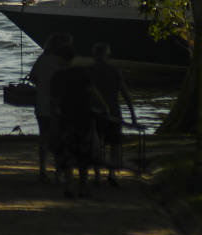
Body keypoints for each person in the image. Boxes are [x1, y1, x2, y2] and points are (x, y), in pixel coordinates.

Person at [52, 43, 109, 198]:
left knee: (69, 154)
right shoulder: (82, 72)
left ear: (61, 58)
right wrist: (105, 107)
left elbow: (55, 101)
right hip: (84, 117)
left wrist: (55, 117)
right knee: (84, 154)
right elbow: (93, 92)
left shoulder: (58, 76)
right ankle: (83, 188)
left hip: (67, 118)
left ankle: (68, 187)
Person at [89, 42, 137, 187]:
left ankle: (97, 174)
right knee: (115, 144)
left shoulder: (89, 71)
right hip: (113, 111)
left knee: (96, 144)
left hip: (95, 111)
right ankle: (112, 174)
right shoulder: (114, 70)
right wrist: (132, 113)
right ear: (107, 54)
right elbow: (125, 92)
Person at [28, 33, 72, 182]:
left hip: (41, 101)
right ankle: (59, 170)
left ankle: (42, 168)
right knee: (60, 136)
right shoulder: (61, 62)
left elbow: (32, 77)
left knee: (44, 136)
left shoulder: (42, 59)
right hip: (59, 104)